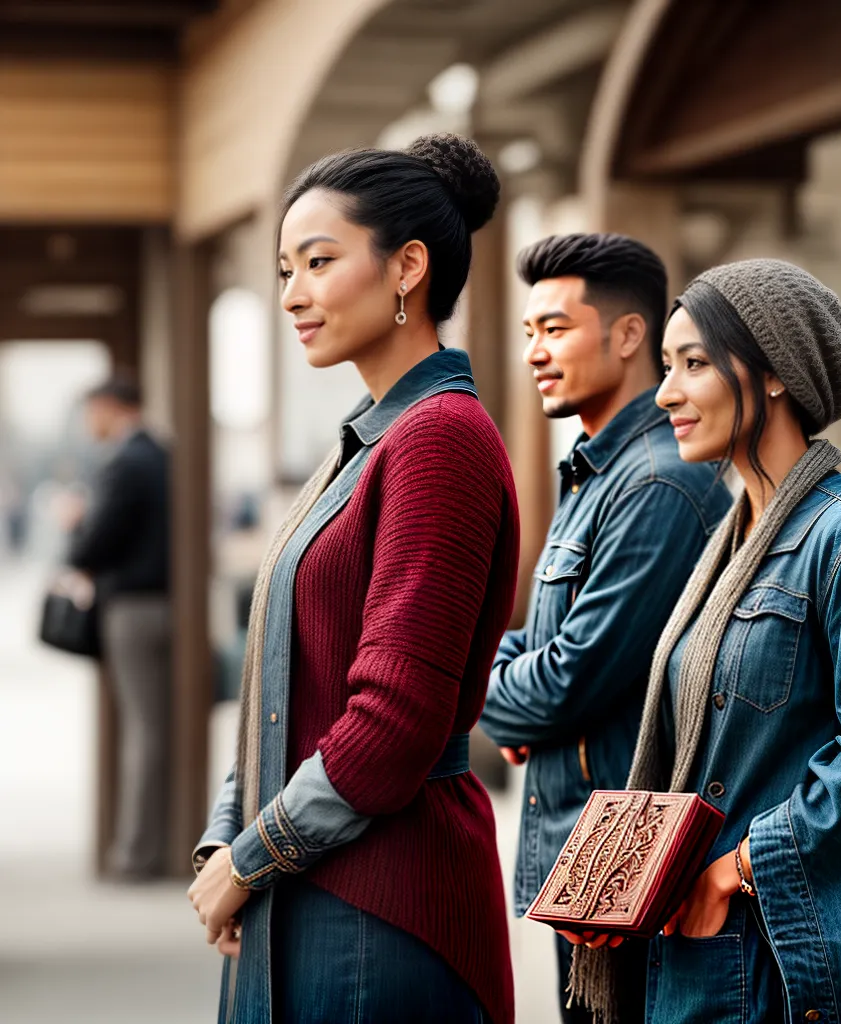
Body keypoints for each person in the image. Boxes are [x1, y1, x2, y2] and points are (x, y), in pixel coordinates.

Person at [566, 259, 841, 1024]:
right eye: (666, 367)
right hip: (693, 951)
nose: (667, 393)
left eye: (695, 364)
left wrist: (734, 871)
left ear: (773, 373)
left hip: (774, 959)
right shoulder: (726, 541)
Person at [187, 134, 520, 1024]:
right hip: (315, 886)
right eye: (285, 268)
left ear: (408, 267)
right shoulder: (369, 439)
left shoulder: (438, 440)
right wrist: (228, 839)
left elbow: (395, 721)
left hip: (383, 910)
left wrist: (251, 858)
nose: (292, 294)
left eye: (319, 262)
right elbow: (280, 680)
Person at [478, 233, 732, 1022]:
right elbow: (534, 645)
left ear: (628, 337)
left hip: (626, 860)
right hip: (584, 854)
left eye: (554, 328)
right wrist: (517, 697)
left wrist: (504, 699)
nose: (535, 352)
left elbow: (567, 679)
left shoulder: (659, 481)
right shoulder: (597, 472)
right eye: (527, 334)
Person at [66, 375, 171, 880]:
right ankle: (157, 842)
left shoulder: (124, 462)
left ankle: (137, 853)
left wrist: (75, 525)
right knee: (155, 727)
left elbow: (92, 545)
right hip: (170, 604)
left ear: (110, 407)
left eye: (92, 412)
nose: (90, 424)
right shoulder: (162, 455)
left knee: (143, 731)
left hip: (132, 607)